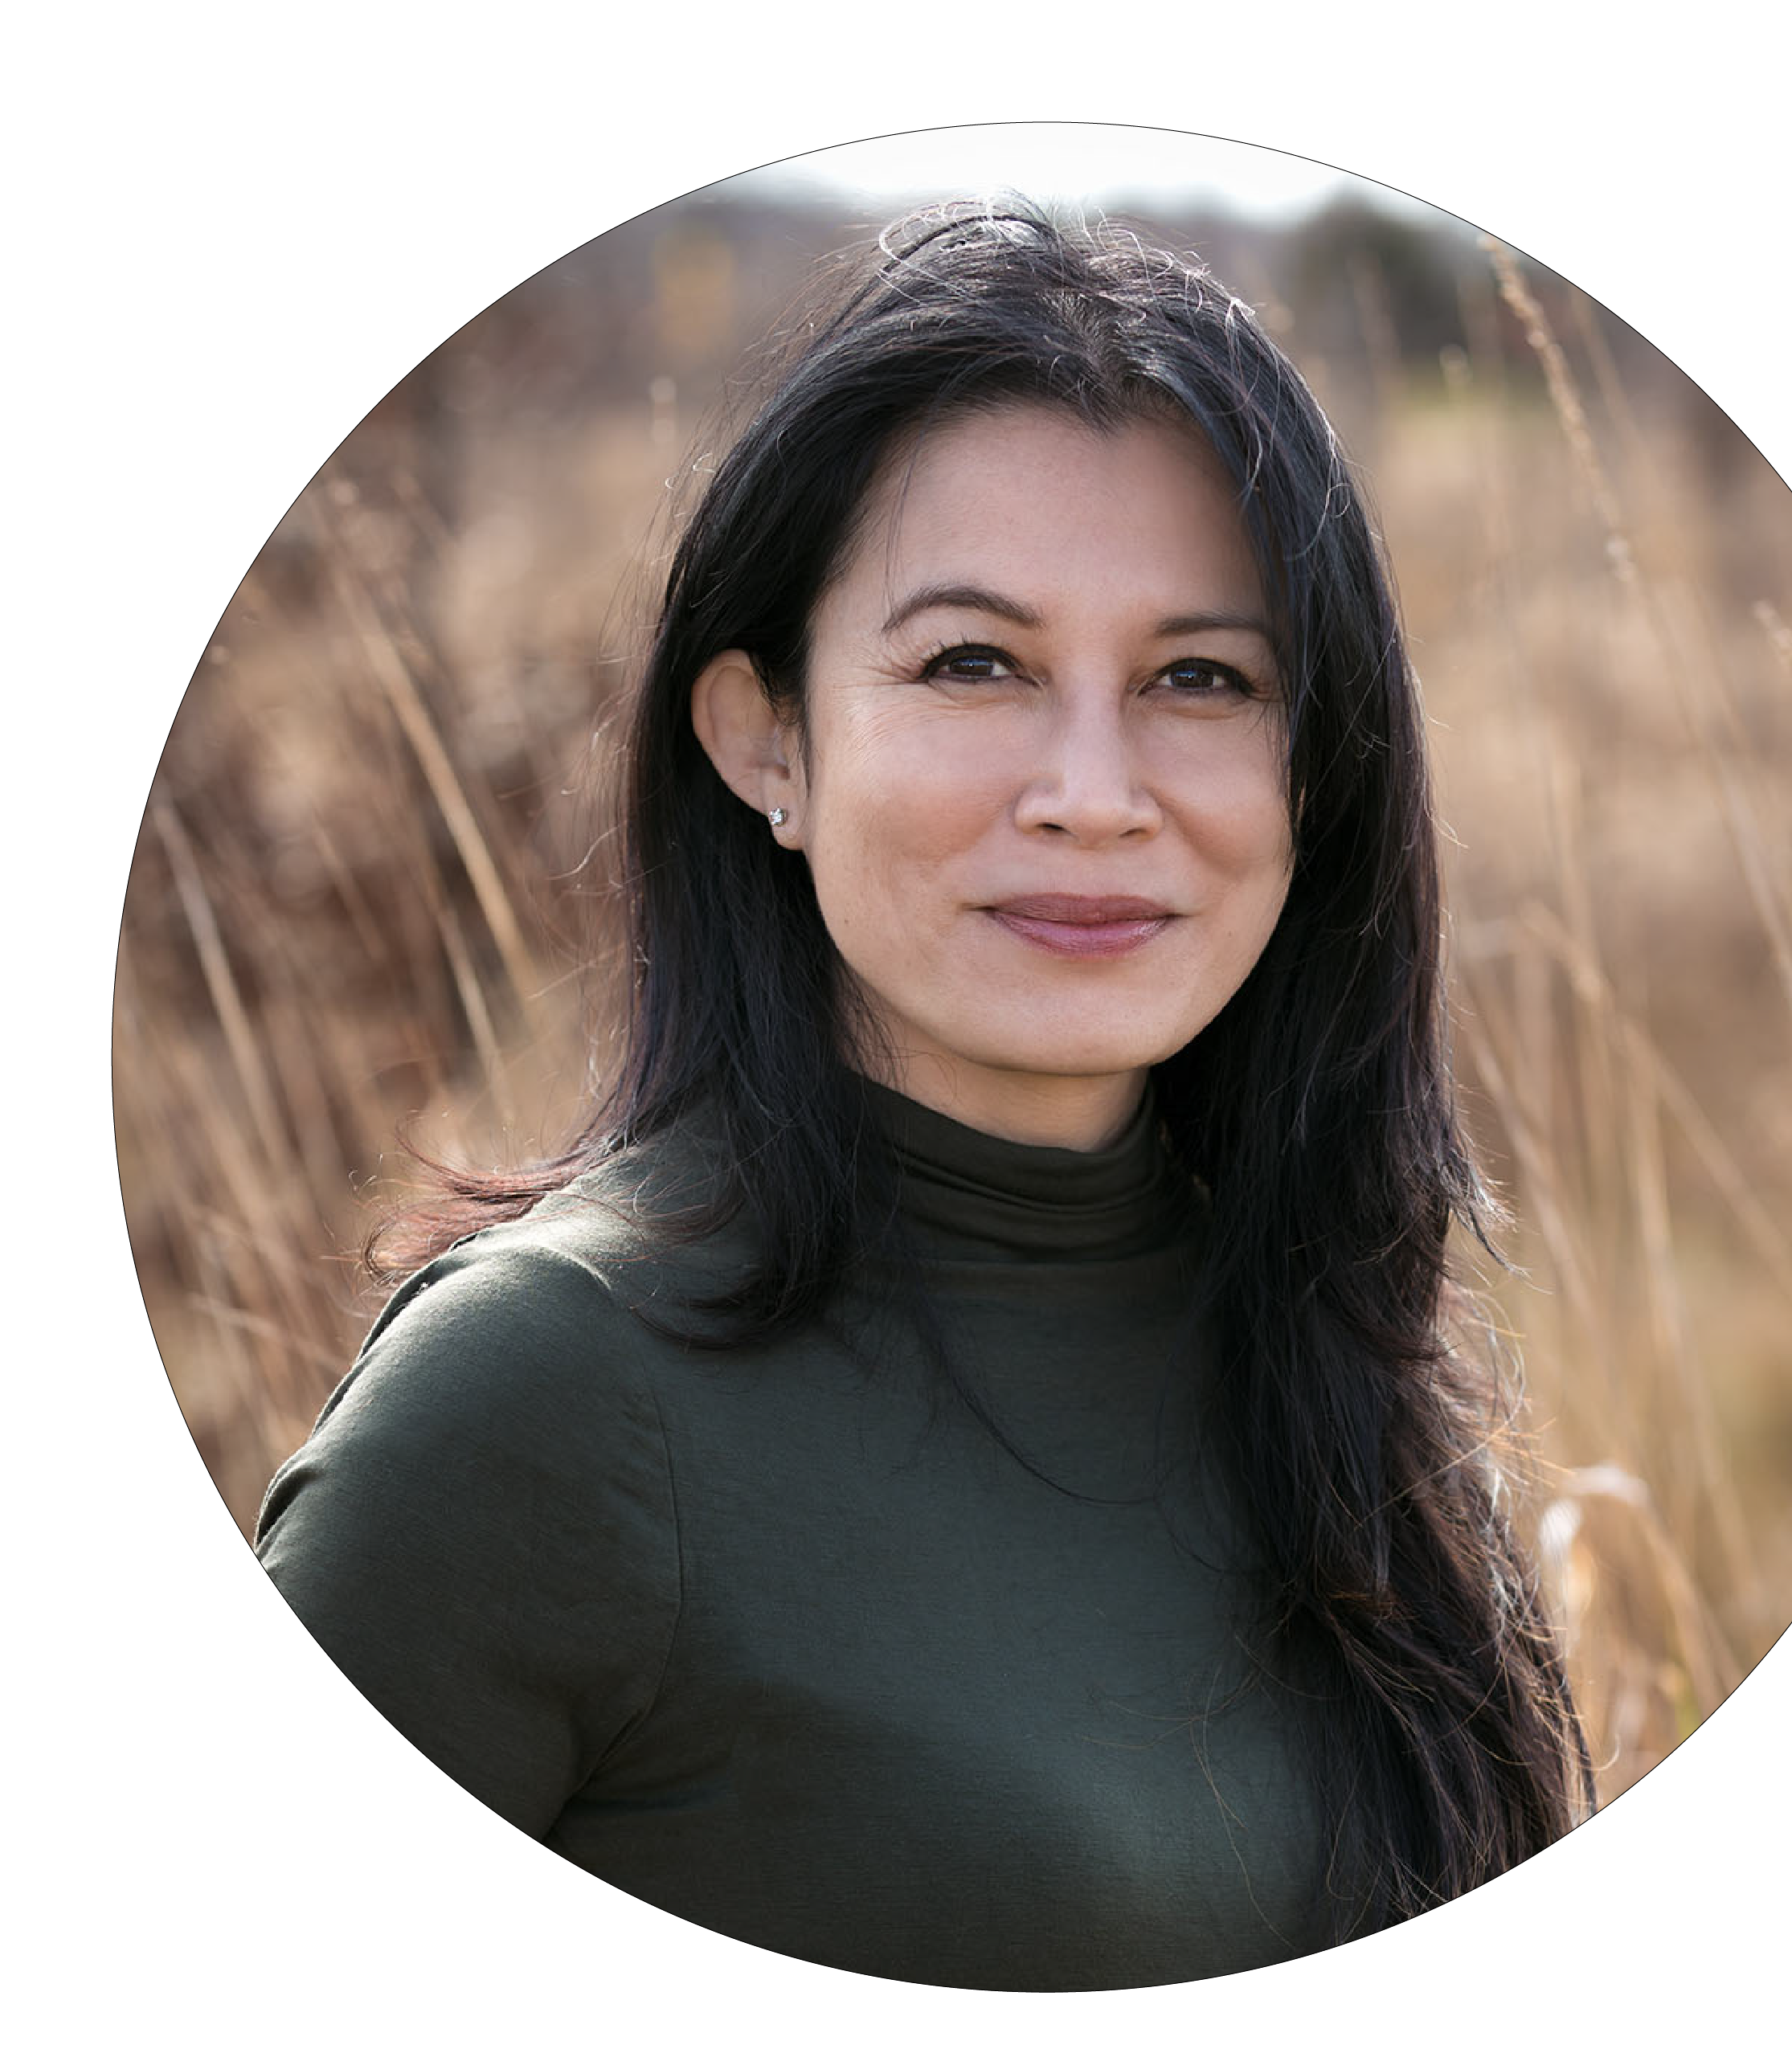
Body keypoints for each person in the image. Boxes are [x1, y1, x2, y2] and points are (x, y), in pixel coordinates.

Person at [256, 198, 1592, 1992]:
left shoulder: (1326, 1355)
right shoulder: (539, 1409)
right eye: (976, 664)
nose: (1095, 792)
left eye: (1201, 678)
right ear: (767, 743)